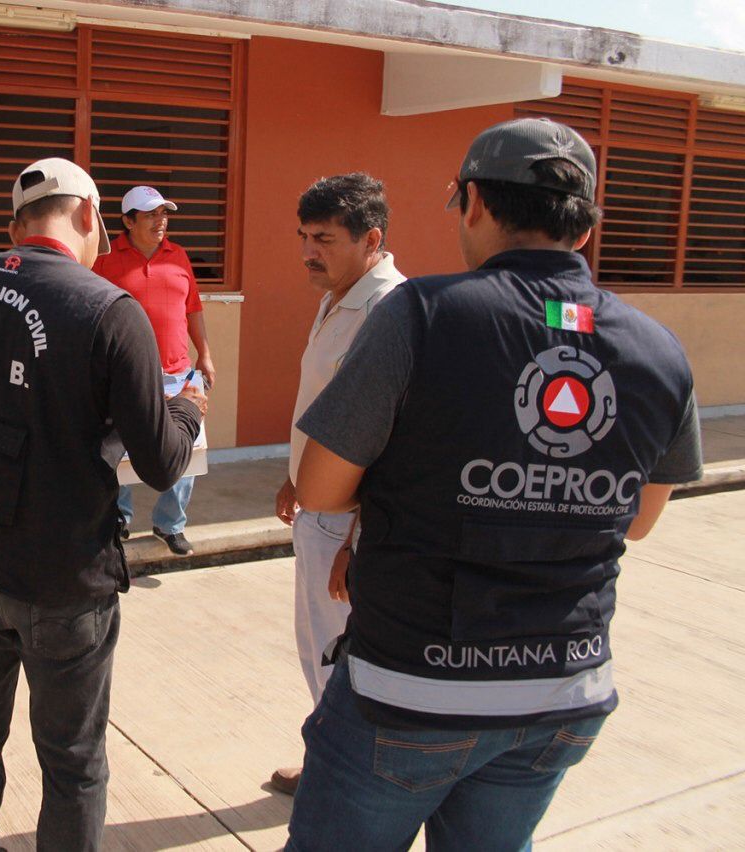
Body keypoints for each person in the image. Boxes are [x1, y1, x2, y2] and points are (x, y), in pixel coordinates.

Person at [285, 118, 703, 850]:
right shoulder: (660, 349)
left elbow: (319, 488)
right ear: (584, 224)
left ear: (474, 201)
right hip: (563, 691)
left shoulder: (422, 314)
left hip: (411, 690)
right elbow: (638, 520)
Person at [0, 157, 206, 852]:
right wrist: (186, 409)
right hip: (60, 570)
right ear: (90, 215)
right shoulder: (107, 308)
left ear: (16, 227)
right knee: (73, 760)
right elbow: (161, 462)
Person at [269, 173, 406, 796]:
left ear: (370, 239)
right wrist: (293, 475)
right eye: (304, 236)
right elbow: (327, 404)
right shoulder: (339, 297)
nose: (307, 251)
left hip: (346, 525)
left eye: (323, 239)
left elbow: (393, 442)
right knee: (317, 647)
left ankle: (344, 780)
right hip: (317, 510)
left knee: (339, 657)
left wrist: (357, 537)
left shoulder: (388, 311)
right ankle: (329, 759)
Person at [92, 185, 214, 555]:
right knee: (121, 451)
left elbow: (193, 308)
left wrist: (205, 354)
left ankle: (169, 525)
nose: (161, 221)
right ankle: (120, 518)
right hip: (125, 374)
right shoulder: (105, 259)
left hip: (179, 374)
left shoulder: (179, 256)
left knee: (186, 452)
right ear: (128, 221)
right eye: (150, 215)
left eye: (163, 214)